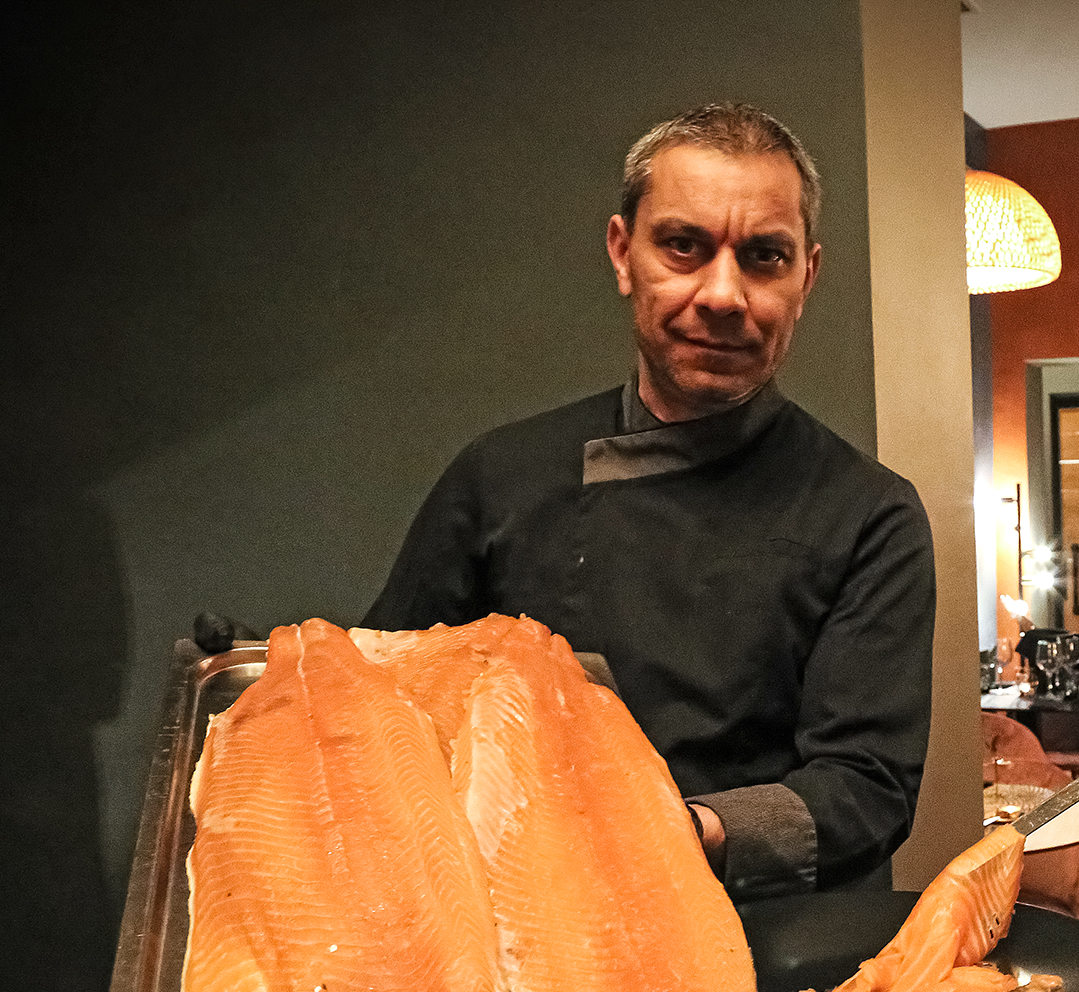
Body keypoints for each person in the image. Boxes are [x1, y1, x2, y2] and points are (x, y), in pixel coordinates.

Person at [362, 103, 936, 902]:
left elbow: (866, 790)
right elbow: (382, 704)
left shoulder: (871, 514)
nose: (723, 294)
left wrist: (667, 833)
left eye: (763, 257)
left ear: (805, 278)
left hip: (761, 936)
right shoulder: (498, 476)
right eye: (684, 246)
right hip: (515, 912)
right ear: (622, 253)